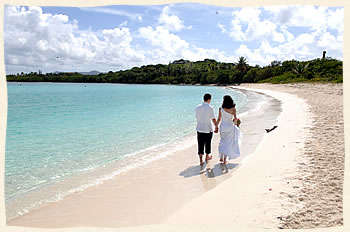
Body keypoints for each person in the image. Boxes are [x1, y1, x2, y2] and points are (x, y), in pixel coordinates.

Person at [216, 95, 241, 164]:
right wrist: (237, 125)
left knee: (222, 141)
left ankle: (221, 157)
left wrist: (216, 126)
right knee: (228, 143)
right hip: (230, 127)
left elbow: (219, 119)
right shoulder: (233, 109)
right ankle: (224, 160)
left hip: (223, 127)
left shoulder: (220, 109)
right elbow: (235, 119)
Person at [195, 93, 218, 165]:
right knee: (208, 143)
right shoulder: (210, 107)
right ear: (209, 99)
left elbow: (197, 117)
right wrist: (216, 126)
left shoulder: (197, 107)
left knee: (200, 144)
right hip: (208, 129)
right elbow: (213, 118)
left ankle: (201, 160)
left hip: (199, 128)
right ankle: (207, 157)